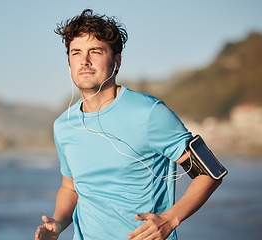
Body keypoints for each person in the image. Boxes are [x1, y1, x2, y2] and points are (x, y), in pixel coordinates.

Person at [35, 9, 222, 240]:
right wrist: (59, 222)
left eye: (95, 51)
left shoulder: (149, 113)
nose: (84, 61)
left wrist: (171, 218)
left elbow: (210, 171)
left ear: (116, 61)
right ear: (70, 62)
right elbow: (71, 187)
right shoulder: (64, 126)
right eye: (76, 53)